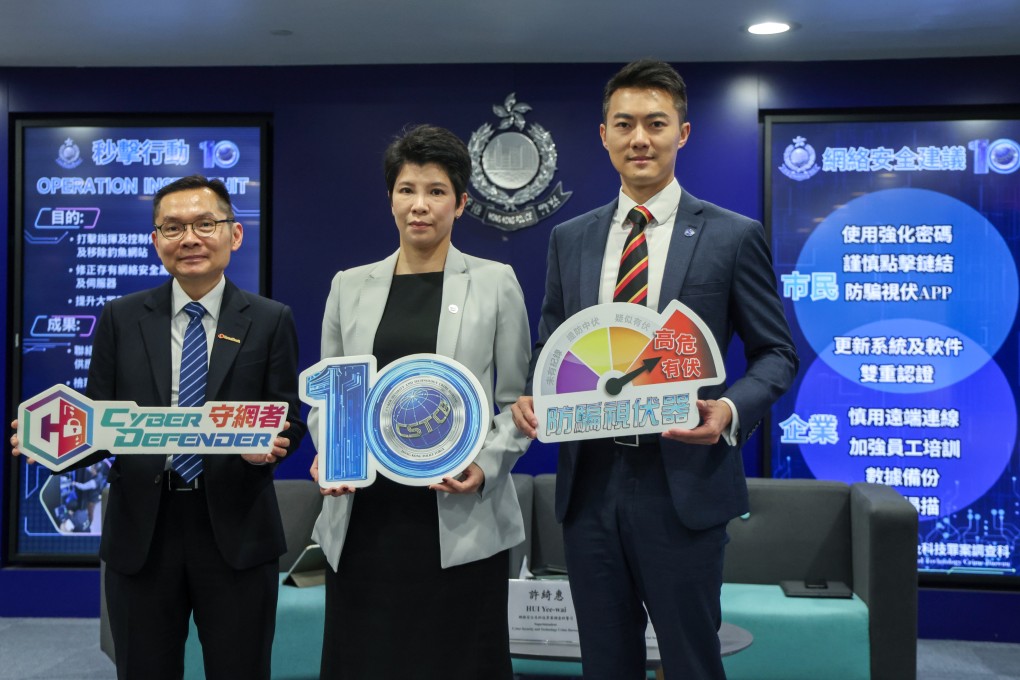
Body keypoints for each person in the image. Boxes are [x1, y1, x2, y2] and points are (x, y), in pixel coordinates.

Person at [511, 60, 798, 679]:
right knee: (605, 663)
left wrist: (728, 412)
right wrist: (535, 395)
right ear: (604, 135)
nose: (640, 138)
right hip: (589, 486)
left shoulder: (731, 235)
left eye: (655, 123)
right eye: (625, 124)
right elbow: (554, 347)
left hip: (683, 483)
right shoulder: (571, 239)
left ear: (682, 134)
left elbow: (777, 353)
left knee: (692, 661)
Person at [11, 174, 306, 680]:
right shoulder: (121, 318)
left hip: (235, 529)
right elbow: (99, 423)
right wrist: (52, 447)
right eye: (172, 228)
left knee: (241, 668)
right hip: (143, 530)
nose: (188, 238)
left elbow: (288, 418)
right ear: (155, 241)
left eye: (204, 224)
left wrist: (274, 446)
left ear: (234, 234)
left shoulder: (269, 318)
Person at [308, 124, 532, 679]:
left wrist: (485, 465)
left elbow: (519, 405)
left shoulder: (495, 282)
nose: (420, 206)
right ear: (390, 199)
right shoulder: (348, 286)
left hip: (457, 510)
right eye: (407, 190)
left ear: (460, 203)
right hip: (366, 514)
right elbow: (328, 396)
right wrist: (331, 452)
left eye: (436, 191)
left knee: (458, 661)